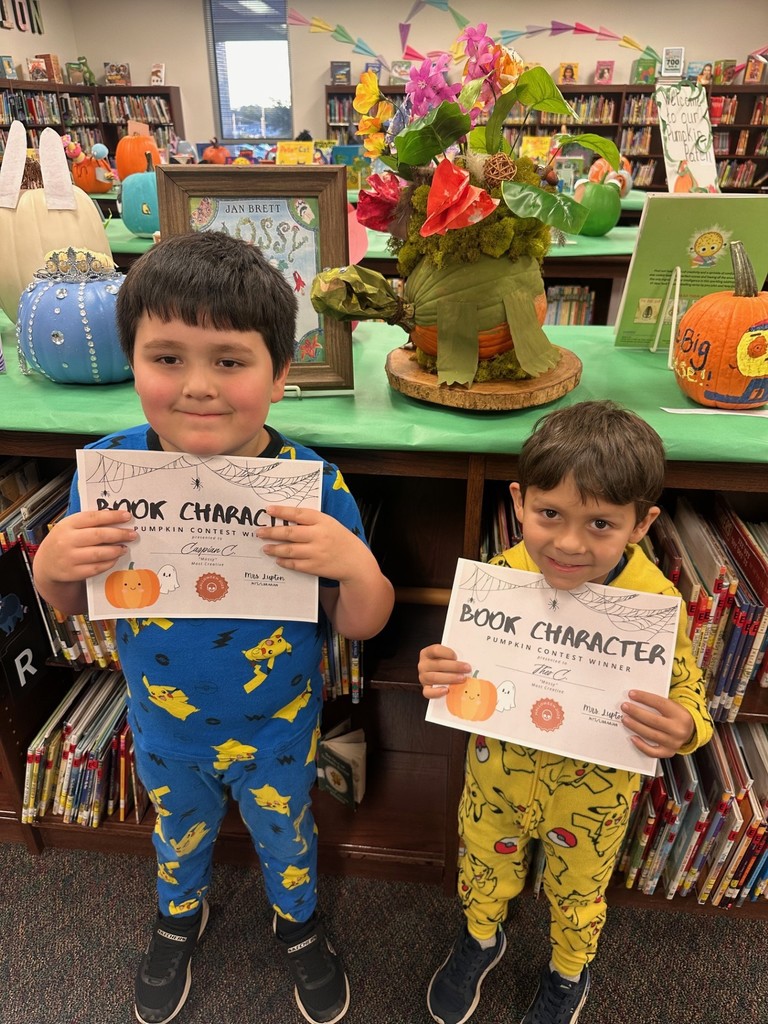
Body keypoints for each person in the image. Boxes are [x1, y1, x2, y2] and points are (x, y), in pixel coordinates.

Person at [33, 231, 394, 1024]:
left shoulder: (313, 485)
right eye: (167, 358)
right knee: (178, 833)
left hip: (280, 729)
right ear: (132, 362)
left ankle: (297, 924)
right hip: (164, 726)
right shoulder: (109, 472)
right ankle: (177, 918)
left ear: (280, 375)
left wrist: (355, 566)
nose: (198, 386)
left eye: (229, 361)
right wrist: (54, 560)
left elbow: (361, 622)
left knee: (286, 833)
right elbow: (64, 602)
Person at [418, 400, 713, 1024]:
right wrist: (437, 673)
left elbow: (691, 696)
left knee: (578, 895)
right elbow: (460, 673)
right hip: (496, 780)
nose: (570, 543)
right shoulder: (498, 578)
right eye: (550, 514)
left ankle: (567, 974)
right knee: (481, 865)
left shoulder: (657, 606)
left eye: (601, 524)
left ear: (641, 524)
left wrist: (684, 727)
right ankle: (480, 938)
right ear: (520, 501)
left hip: (594, 800)